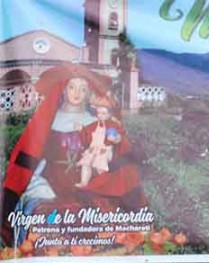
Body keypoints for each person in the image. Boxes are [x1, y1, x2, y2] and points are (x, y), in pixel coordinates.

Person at [1, 64, 146, 246]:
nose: (77, 93)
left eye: (83, 88)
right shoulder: (47, 122)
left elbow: (114, 155)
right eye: (72, 87)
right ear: (63, 90)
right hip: (53, 184)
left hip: (90, 185)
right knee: (49, 213)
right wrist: (36, 183)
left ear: (88, 93)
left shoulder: (97, 123)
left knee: (103, 212)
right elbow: (32, 156)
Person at [75, 96, 123, 188]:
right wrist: (81, 129)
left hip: (104, 150)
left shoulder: (112, 125)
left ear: (109, 114)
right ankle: (84, 182)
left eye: (104, 114)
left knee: (100, 167)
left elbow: (119, 135)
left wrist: (115, 138)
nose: (100, 115)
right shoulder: (94, 124)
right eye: (99, 113)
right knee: (86, 164)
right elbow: (87, 132)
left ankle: (104, 183)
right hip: (93, 149)